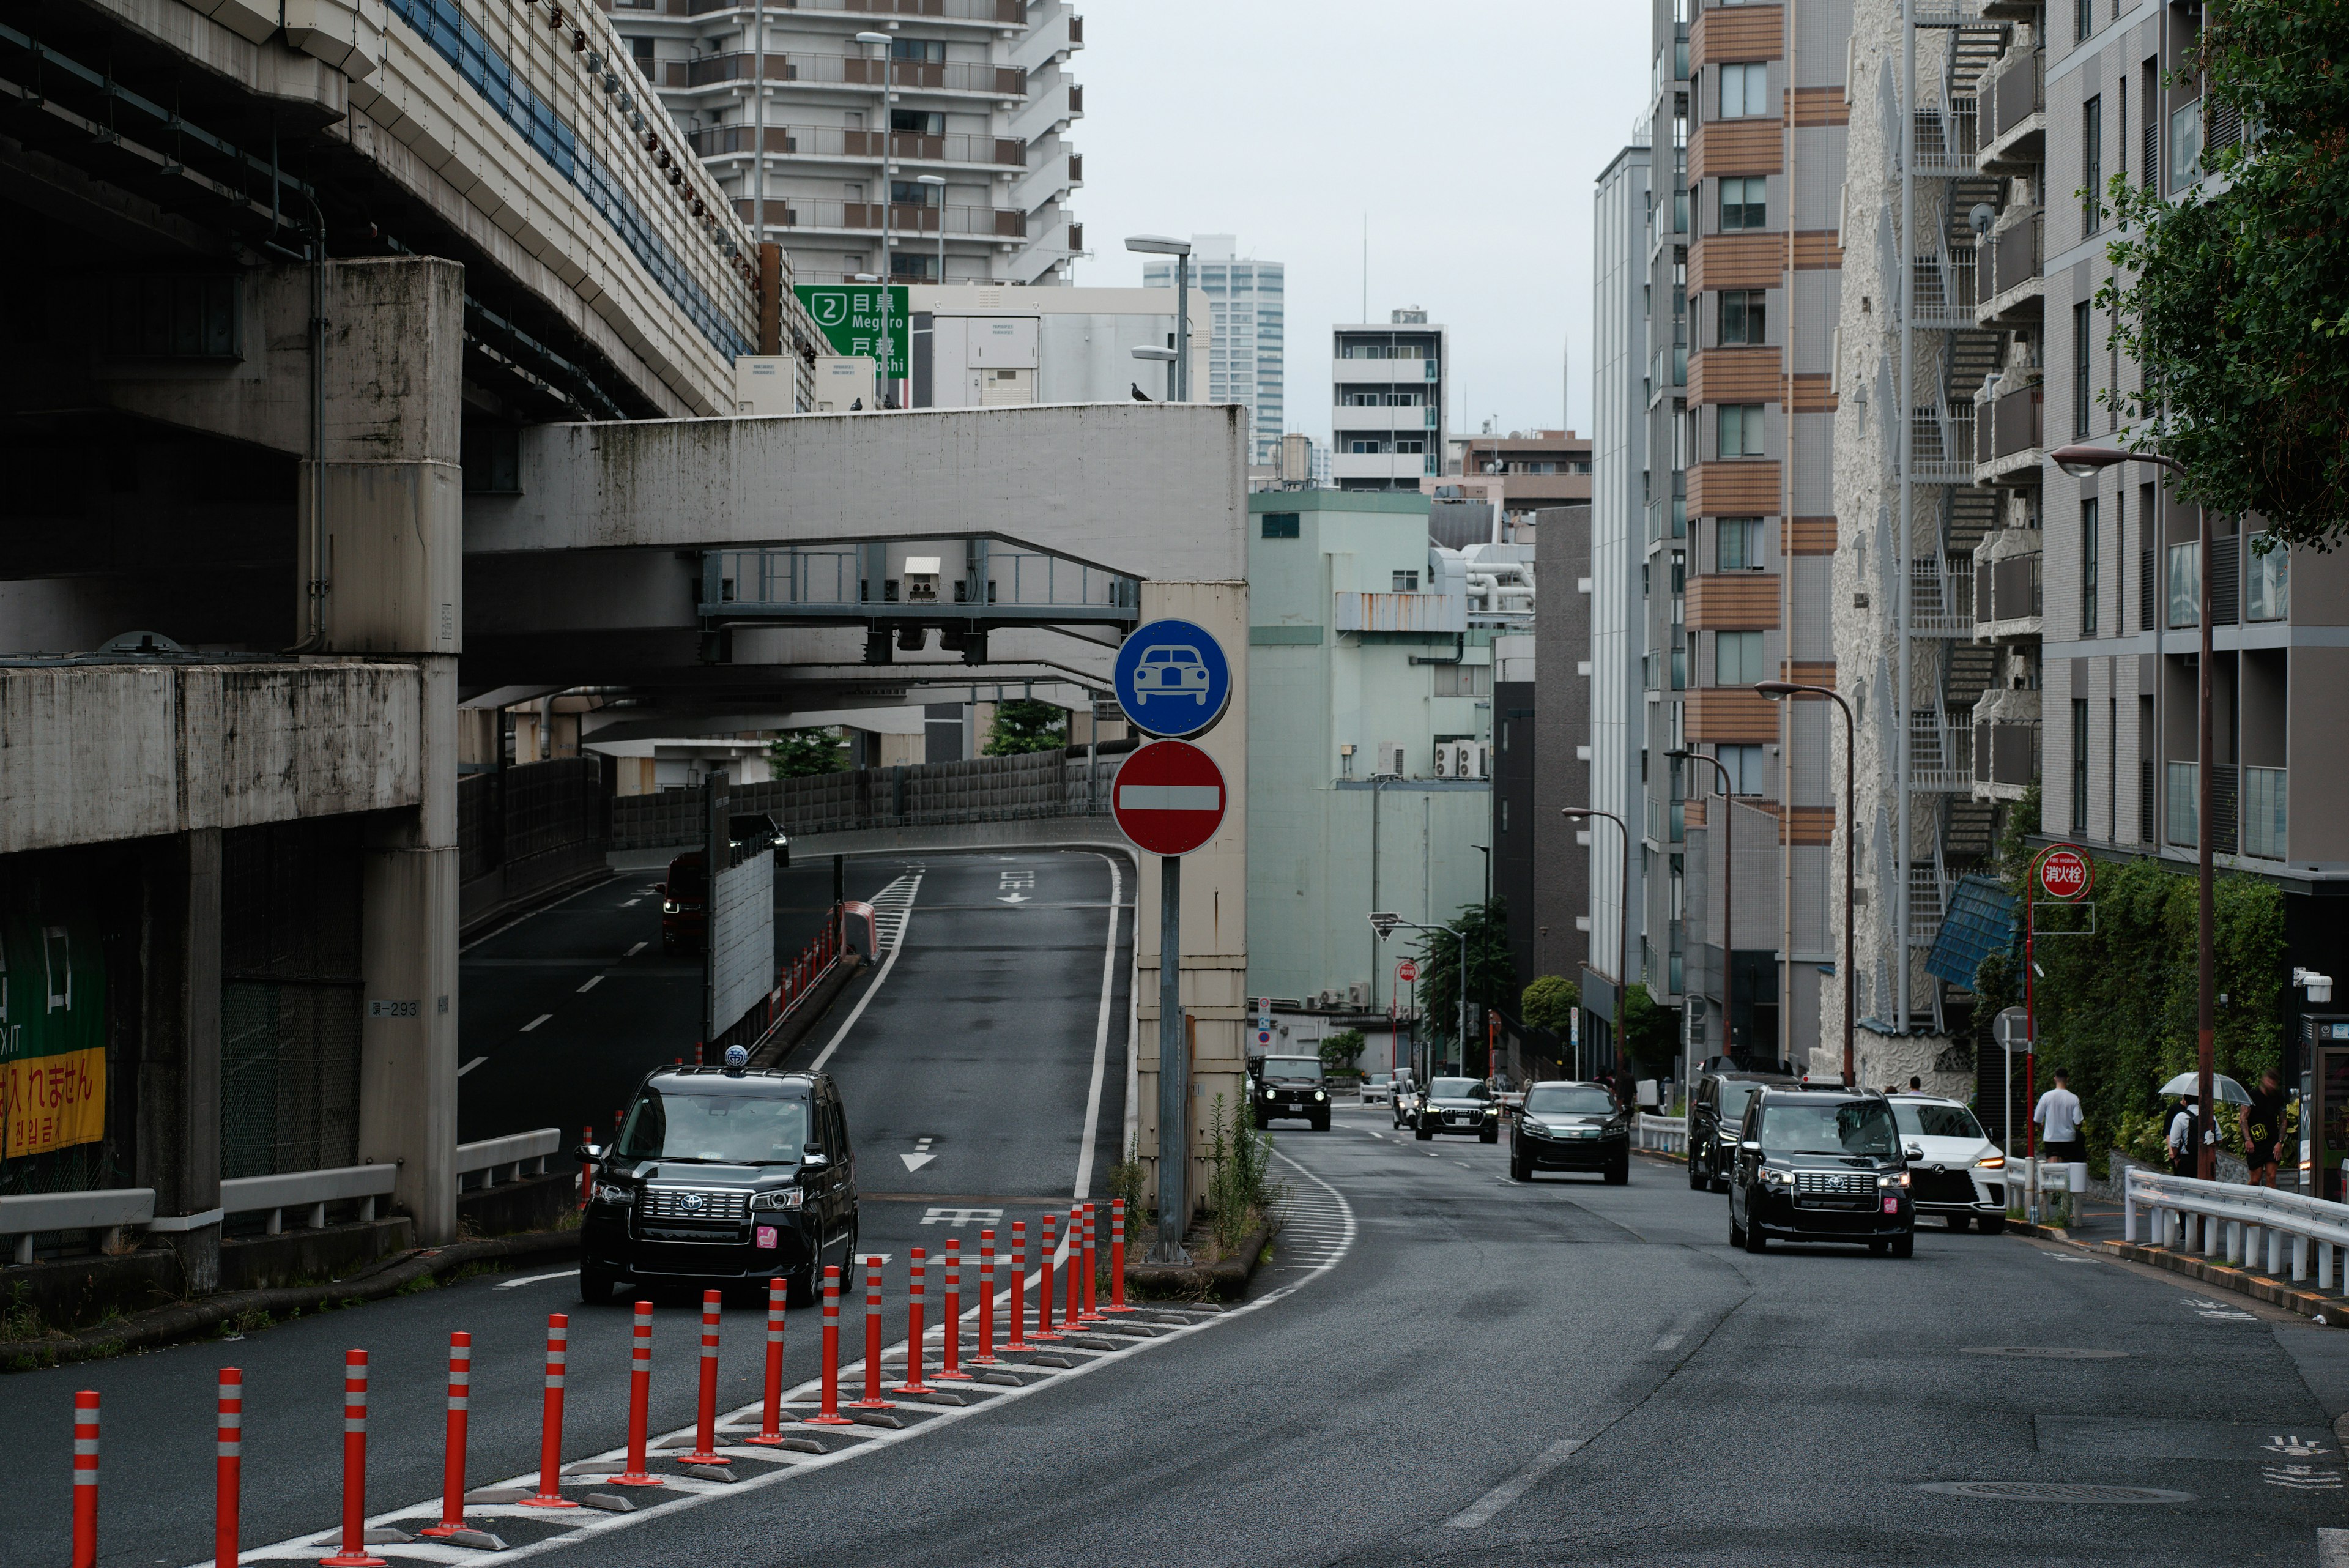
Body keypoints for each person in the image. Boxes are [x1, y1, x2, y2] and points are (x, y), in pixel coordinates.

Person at [2241, 1069, 2288, 1189]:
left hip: (2272, 1141)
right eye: (2269, 1082)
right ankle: (2249, 1200)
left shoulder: (2278, 1098)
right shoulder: (2251, 1096)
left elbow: (2283, 1121)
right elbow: (2243, 1119)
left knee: (2271, 1176)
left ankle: (2270, 1206)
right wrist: (2248, 1139)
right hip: (2255, 1141)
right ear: (2264, 1080)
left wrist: (2280, 1142)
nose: (2271, 1085)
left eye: (2273, 1083)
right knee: (2255, 1180)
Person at [2034, 1068, 2085, 1165]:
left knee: (2053, 1167)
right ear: (2068, 1079)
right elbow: (2078, 1122)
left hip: (2051, 1138)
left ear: (2055, 1079)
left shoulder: (2046, 1097)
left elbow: (2037, 1119)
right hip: (2068, 1138)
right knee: (2067, 1167)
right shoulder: (2074, 1098)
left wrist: (2040, 1126)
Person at [2167, 1093, 2202, 1178]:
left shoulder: (2180, 1117)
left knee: (2185, 1189)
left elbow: (2174, 1143)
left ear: (2185, 1101)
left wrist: (2176, 1159)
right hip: (2205, 1160)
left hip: (2186, 1160)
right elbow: (2219, 1139)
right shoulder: (2210, 1116)